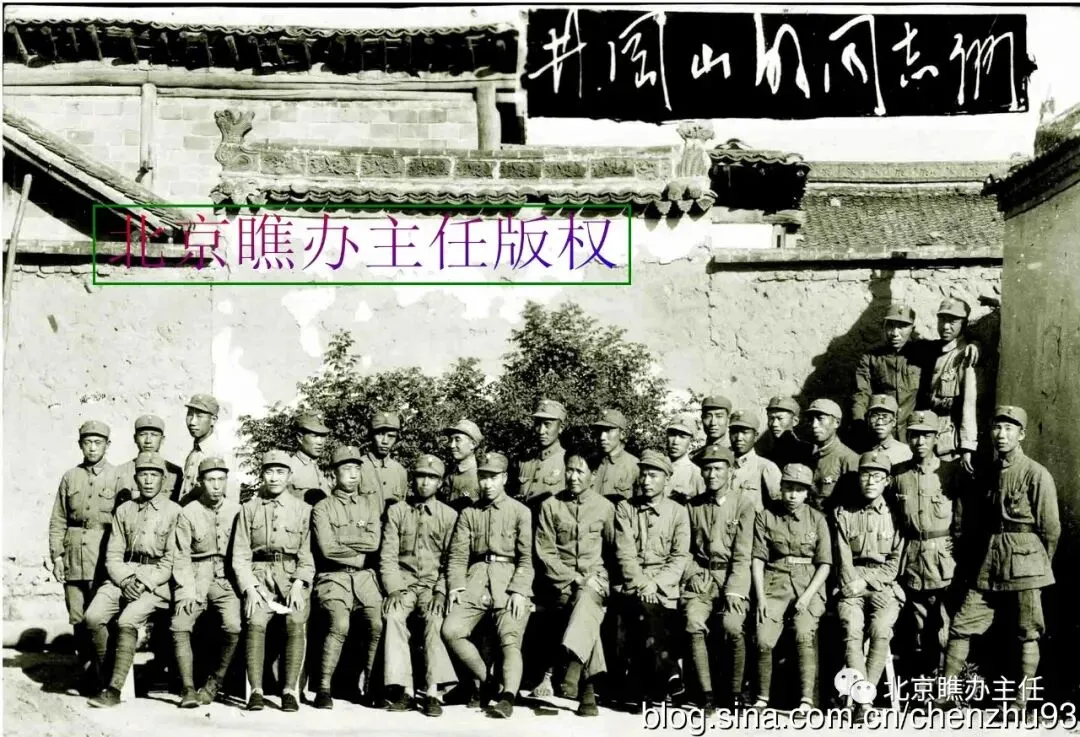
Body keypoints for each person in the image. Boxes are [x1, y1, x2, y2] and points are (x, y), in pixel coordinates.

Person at [938, 406, 1060, 714]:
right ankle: (946, 695)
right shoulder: (987, 474)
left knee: (1028, 631)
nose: (1001, 434)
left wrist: (1038, 567)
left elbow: (1051, 529)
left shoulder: (1036, 473)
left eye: (1009, 429)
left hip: (1026, 563)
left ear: (1022, 434)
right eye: (996, 428)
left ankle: (1021, 702)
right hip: (989, 561)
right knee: (962, 625)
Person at [85, 452, 182, 708]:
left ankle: (114, 690)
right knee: (93, 617)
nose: (148, 480)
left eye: (154, 475)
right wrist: (126, 580)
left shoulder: (174, 512)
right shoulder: (124, 510)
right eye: (143, 475)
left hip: (156, 583)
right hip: (123, 576)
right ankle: (108, 675)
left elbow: (170, 561)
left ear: (163, 479)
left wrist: (143, 583)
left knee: (127, 620)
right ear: (136, 478)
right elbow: (113, 555)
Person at [442, 452, 534, 718]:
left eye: (493, 477)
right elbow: (458, 555)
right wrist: (455, 586)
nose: (487, 483)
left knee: (510, 640)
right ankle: (489, 682)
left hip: (509, 580)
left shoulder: (520, 512)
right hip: (476, 578)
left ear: (504, 478)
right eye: (483, 477)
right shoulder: (469, 513)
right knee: (451, 630)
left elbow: (526, 558)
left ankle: (508, 697)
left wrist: (520, 590)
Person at [534, 450, 616, 716]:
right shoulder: (551, 506)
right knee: (584, 605)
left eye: (580, 471)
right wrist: (573, 578)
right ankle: (587, 689)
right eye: (569, 470)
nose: (573, 477)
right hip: (561, 582)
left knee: (587, 596)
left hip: (596, 581)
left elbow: (613, 553)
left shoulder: (605, 508)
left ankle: (572, 671)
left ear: (593, 475)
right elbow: (546, 553)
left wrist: (603, 581)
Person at [232, 450, 315, 713]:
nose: (275, 477)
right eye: (269, 471)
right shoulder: (249, 509)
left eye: (280, 472)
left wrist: (299, 584)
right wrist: (250, 588)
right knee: (255, 621)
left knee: (295, 620)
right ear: (262, 474)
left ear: (289, 476)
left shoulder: (303, 510)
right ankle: (256, 690)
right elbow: (240, 555)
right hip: (259, 579)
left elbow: (307, 555)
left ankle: (289, 690)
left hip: (291, 578)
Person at [380, 454, 459, 717]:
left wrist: (441, 591)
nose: (425, 483)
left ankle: (433, 692)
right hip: (403, 584)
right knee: (393, 615)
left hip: (432, 586)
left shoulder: (449, 516)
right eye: (421, 476)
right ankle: (405, 690)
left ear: (440, 483)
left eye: (432, 478)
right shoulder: (397, 512)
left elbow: (451, 561)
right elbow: (388, 557)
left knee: (435, 620)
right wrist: (393, 588)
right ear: (412, 480)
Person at [310, 446, 389, 710]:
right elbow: (326, 549)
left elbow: (374, 542)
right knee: (340, 624)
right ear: (334, 474)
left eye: (357, 468)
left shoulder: (369, 505)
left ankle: (371, 688)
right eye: (347, 469)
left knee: (377, 623)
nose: (353, 474)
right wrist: (358, 552)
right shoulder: (322, 508)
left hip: (365, 580)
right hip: (333, 579)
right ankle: (323, 689)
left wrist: (342, 541)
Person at [47, 420, 122, 694]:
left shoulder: (117, 477)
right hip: (73, 558)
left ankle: (106, 677)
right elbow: (58, 520)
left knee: (100, 619)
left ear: (107, 445)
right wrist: (57, 557)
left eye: (98, 443)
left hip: (102, 558)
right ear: (80, 445)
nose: (92, 448)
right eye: (87, 442)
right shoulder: (70, 477)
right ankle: (88, 673)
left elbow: (124, 522)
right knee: (78, 619)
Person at [750, 463, 831, 712]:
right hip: (775, 583)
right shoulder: (766, 516)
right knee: (763, 639)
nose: (793, 495)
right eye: (788, 488)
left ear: (807, 493)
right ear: (781, 488)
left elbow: (825, 564)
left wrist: (807, 597)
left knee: (803, 633)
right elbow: (758, 559)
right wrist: (761, 598)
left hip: (809, 584)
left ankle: (806, 700)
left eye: (799, 490)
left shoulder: (818, 519)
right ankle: (762, 698)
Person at [614, 450, 691, 704]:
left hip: (663, 590)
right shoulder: (625, 508)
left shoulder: (679, 512)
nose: (646, 481)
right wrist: (642, 584)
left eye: (653, 475)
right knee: (644, 611)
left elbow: (679, 558)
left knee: (649, 615)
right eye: (643, 475)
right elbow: (625, 554)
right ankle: (670, 673)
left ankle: (641, 689)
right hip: (633, 586)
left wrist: (654, 585)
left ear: (667, 479)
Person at [682, 444, 755, 711]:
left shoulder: (743, 505)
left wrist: (734, 589)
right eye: (707, 469)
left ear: (730, 471)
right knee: (693, 622)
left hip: (732, 577)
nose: (712, 475)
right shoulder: (693, 506)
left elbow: (744, 554)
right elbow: (685, 549)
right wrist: (692, 573)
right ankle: (706, 694)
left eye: (718, 469)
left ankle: (735, 692)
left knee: (732, 626)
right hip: (701, 576)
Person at [834, 451, 905, 722]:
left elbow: (894, 564)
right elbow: (843, 559)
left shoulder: (896, 516)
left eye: (877, 476)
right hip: (851, 583)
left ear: (887, 481)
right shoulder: (844, 513)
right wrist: (854, 584)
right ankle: (865, 701)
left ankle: (864, 698)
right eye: (865, 475)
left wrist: (867, 583)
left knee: (880, 630)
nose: (870, 481)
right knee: (851, 630)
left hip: (883, 584)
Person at [892, 411, 962, 679]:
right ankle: (928, 681)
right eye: (914, 435)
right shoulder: (899, 474)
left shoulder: (950, 471)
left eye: (926, 435)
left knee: (945, 625)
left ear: (936, 437)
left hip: (943, 560)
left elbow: (963, 515)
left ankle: (949, 684)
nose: (920, 442)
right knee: (919, 627)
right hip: (912, 559)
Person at [170, 456, 242, 707]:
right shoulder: (188, 512)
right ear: (200, 482)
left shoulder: (237, 511)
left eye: (221, 479)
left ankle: (215, 682)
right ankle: (188, 688)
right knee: (180, 624)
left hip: (226, 579)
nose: (216, 486)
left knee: (233, 625)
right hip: (196, 577)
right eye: (210, 480)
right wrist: (186, 591)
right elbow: (181, 556)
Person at [922, 298, 980, 474]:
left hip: (949, 442)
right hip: (928, 434)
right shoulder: (934, 351)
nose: (946, 327)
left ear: (964, 324)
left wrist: (967, 446)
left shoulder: (965, 355)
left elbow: (969, 404)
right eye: (942, 320)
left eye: (952, 321)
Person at [852, 305, 924, 444]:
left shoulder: (923, 354)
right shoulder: (871, 357)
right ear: (884, 327)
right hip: (881, 432)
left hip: (912, 434)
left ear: (912, 329)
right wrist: (860, 425)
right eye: (890, 326)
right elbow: (861, 394)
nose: (895, 333)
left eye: (902, 327)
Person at [804, 399, 860, 512]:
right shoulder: (807, 455)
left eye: (820, 419)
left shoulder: (849, 458)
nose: (814, 425)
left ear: (836, 423)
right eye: (811, 419)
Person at [115, 415, 183, 503]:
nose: (148, 441)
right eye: (142, 435)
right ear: (135, 438)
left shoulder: (174, 472)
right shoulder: (121, 471)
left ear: (162, 439)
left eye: (154, 435)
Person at [516, 399, 567, 508]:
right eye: (538, 424)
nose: (541, 431)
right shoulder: (525, 460)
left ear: (561, 428)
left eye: (547, 424)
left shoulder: (567, 461)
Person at [728, 409, 782, 512]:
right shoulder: (722, 466)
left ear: (756, 436)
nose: (739, 438)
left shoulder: (766, 467)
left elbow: (778, 506)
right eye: (734, 432)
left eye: (745, 432)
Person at [180, 394, 229, 504]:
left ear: (213, 420)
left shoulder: (219, 454)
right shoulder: (194, 452)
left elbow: (228, 501)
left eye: (199, 416)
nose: (192, 422)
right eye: (190, 414)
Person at [591, 409, 639, 503]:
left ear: (622, 434)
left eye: (608, 430)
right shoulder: (591, 462)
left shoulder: (634, 465)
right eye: (600, 431)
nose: (602, 437)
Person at [360, 412, 409, 503]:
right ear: (371, 436)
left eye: (391, 436)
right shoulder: (358, 467)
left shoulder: (400, 471)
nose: (385, 441)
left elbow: (401, 506)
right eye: (380, 434)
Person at [287, 411, 333, 505]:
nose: (320, 442)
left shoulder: (322, 468)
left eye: (323, 436)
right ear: (300, 438)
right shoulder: (289, 468)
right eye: (314, 436)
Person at [756, 396, 814, 469]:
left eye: (780, 418)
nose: (774, 424)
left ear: (795, 421)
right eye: (771, 418)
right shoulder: (766, 453)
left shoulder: (807, 451)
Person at [442, 419, 483, 510]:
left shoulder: (480, 476)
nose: (452, 445)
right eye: (451, 440)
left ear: (473, 444)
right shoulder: (450, 472)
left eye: (457, 440)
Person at [865, 394, 914, 466]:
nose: (879, 422)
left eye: (885, 417)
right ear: (868, 420)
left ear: (894, 422)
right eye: (875, 416)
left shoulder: (906, 452)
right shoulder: (860, 450)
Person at [665, 414, 705, 503]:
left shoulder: (696, 473)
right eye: (672, 435)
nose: (675, 441)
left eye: (682, 437)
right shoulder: (656, 465)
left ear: (691, 441)